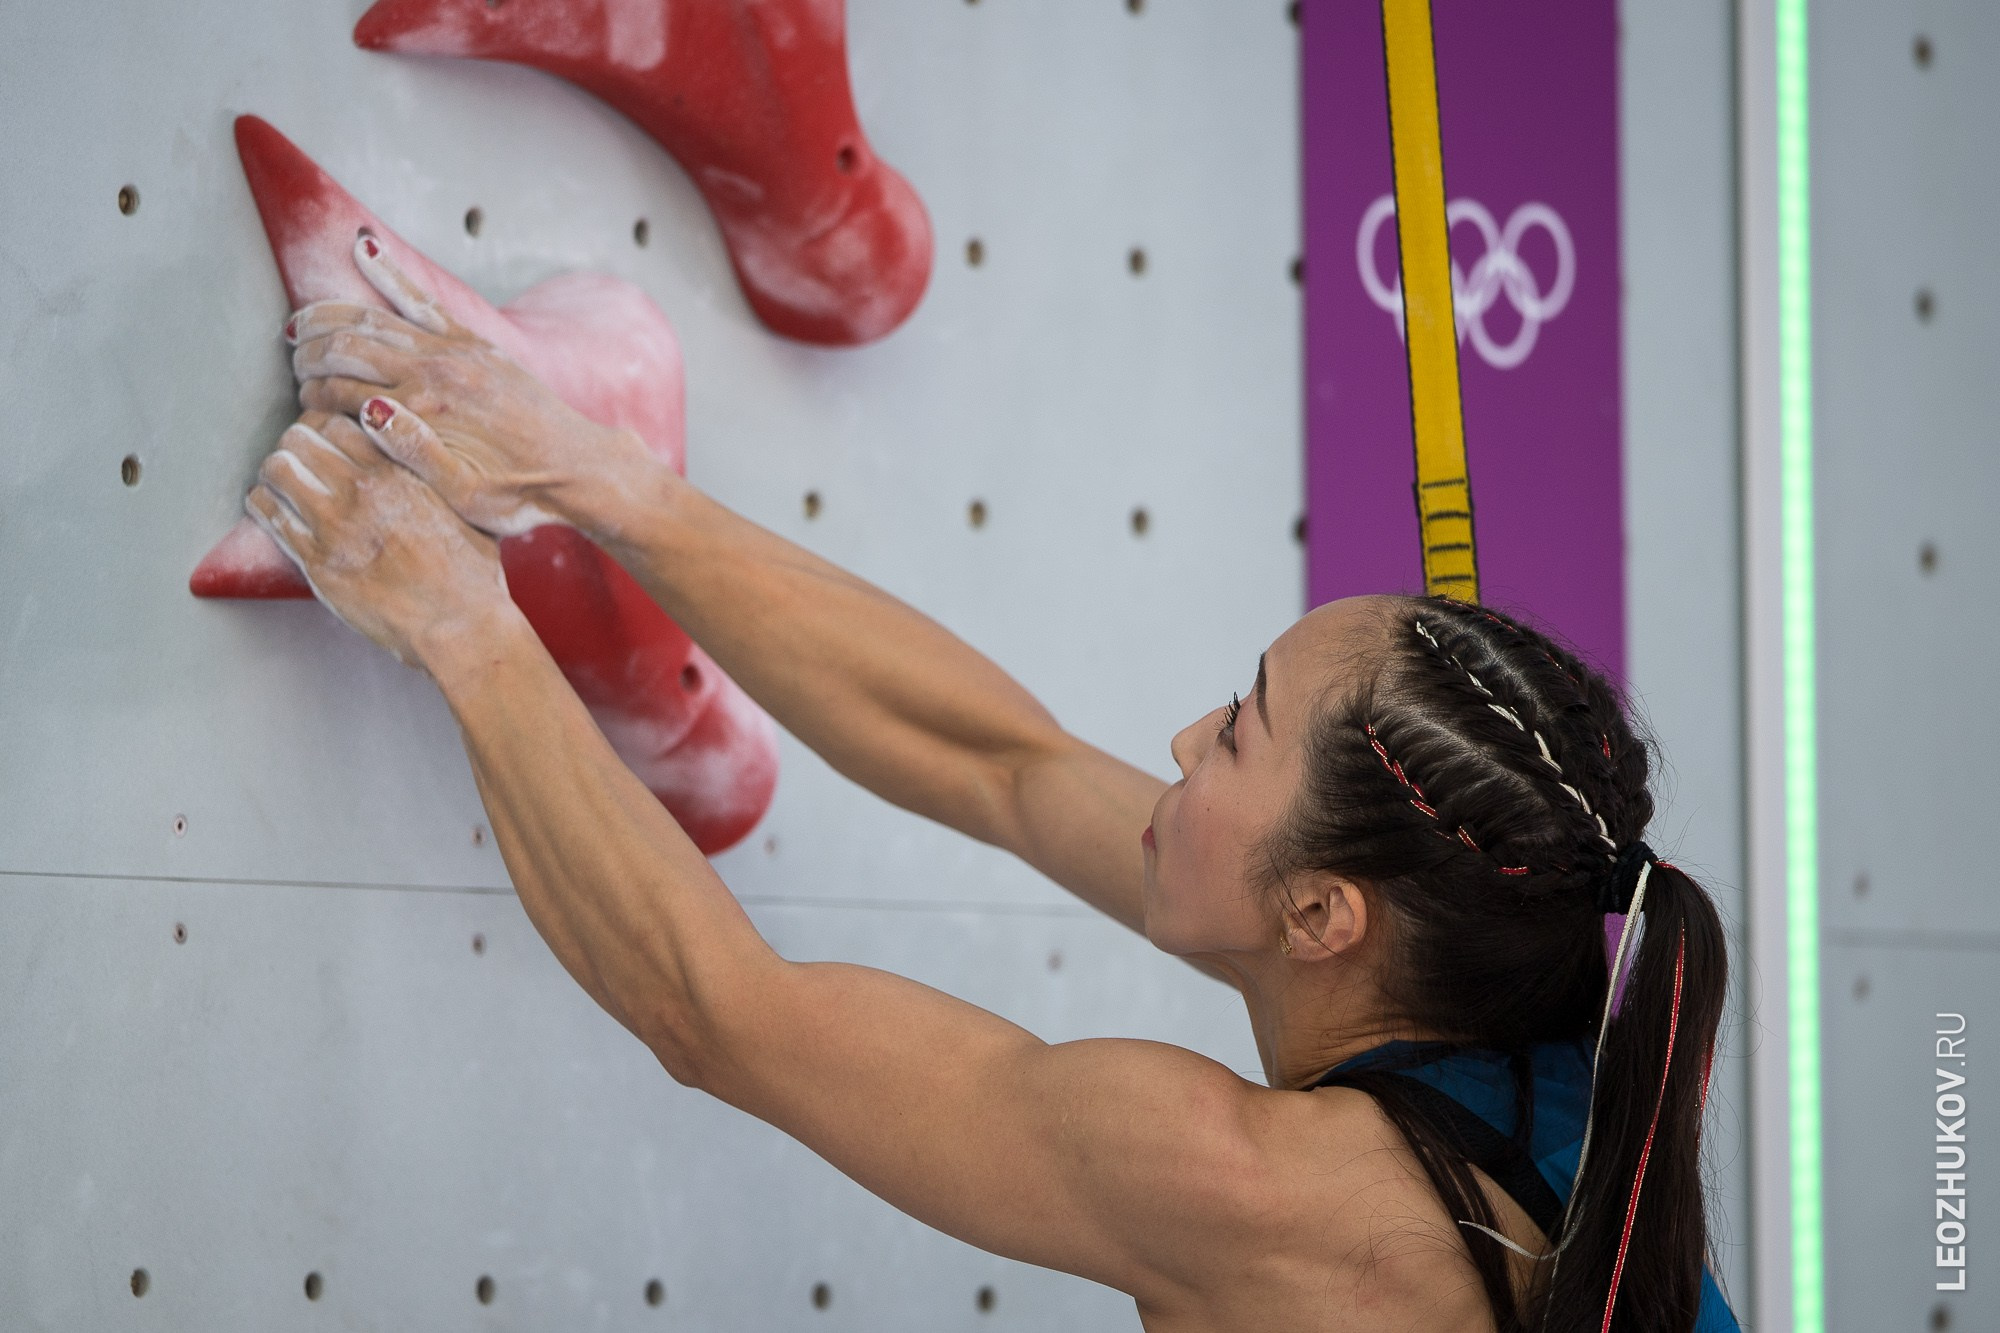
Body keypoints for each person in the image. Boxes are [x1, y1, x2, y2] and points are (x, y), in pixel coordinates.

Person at [248, 245, 1741, 1333]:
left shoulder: (1271, 1196)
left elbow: (718, 1016)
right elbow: (998, 763)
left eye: (1238, 731)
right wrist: (593, 475)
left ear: (1322, 913)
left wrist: (463, 628)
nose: (1178, 736)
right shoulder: (1513, 984)